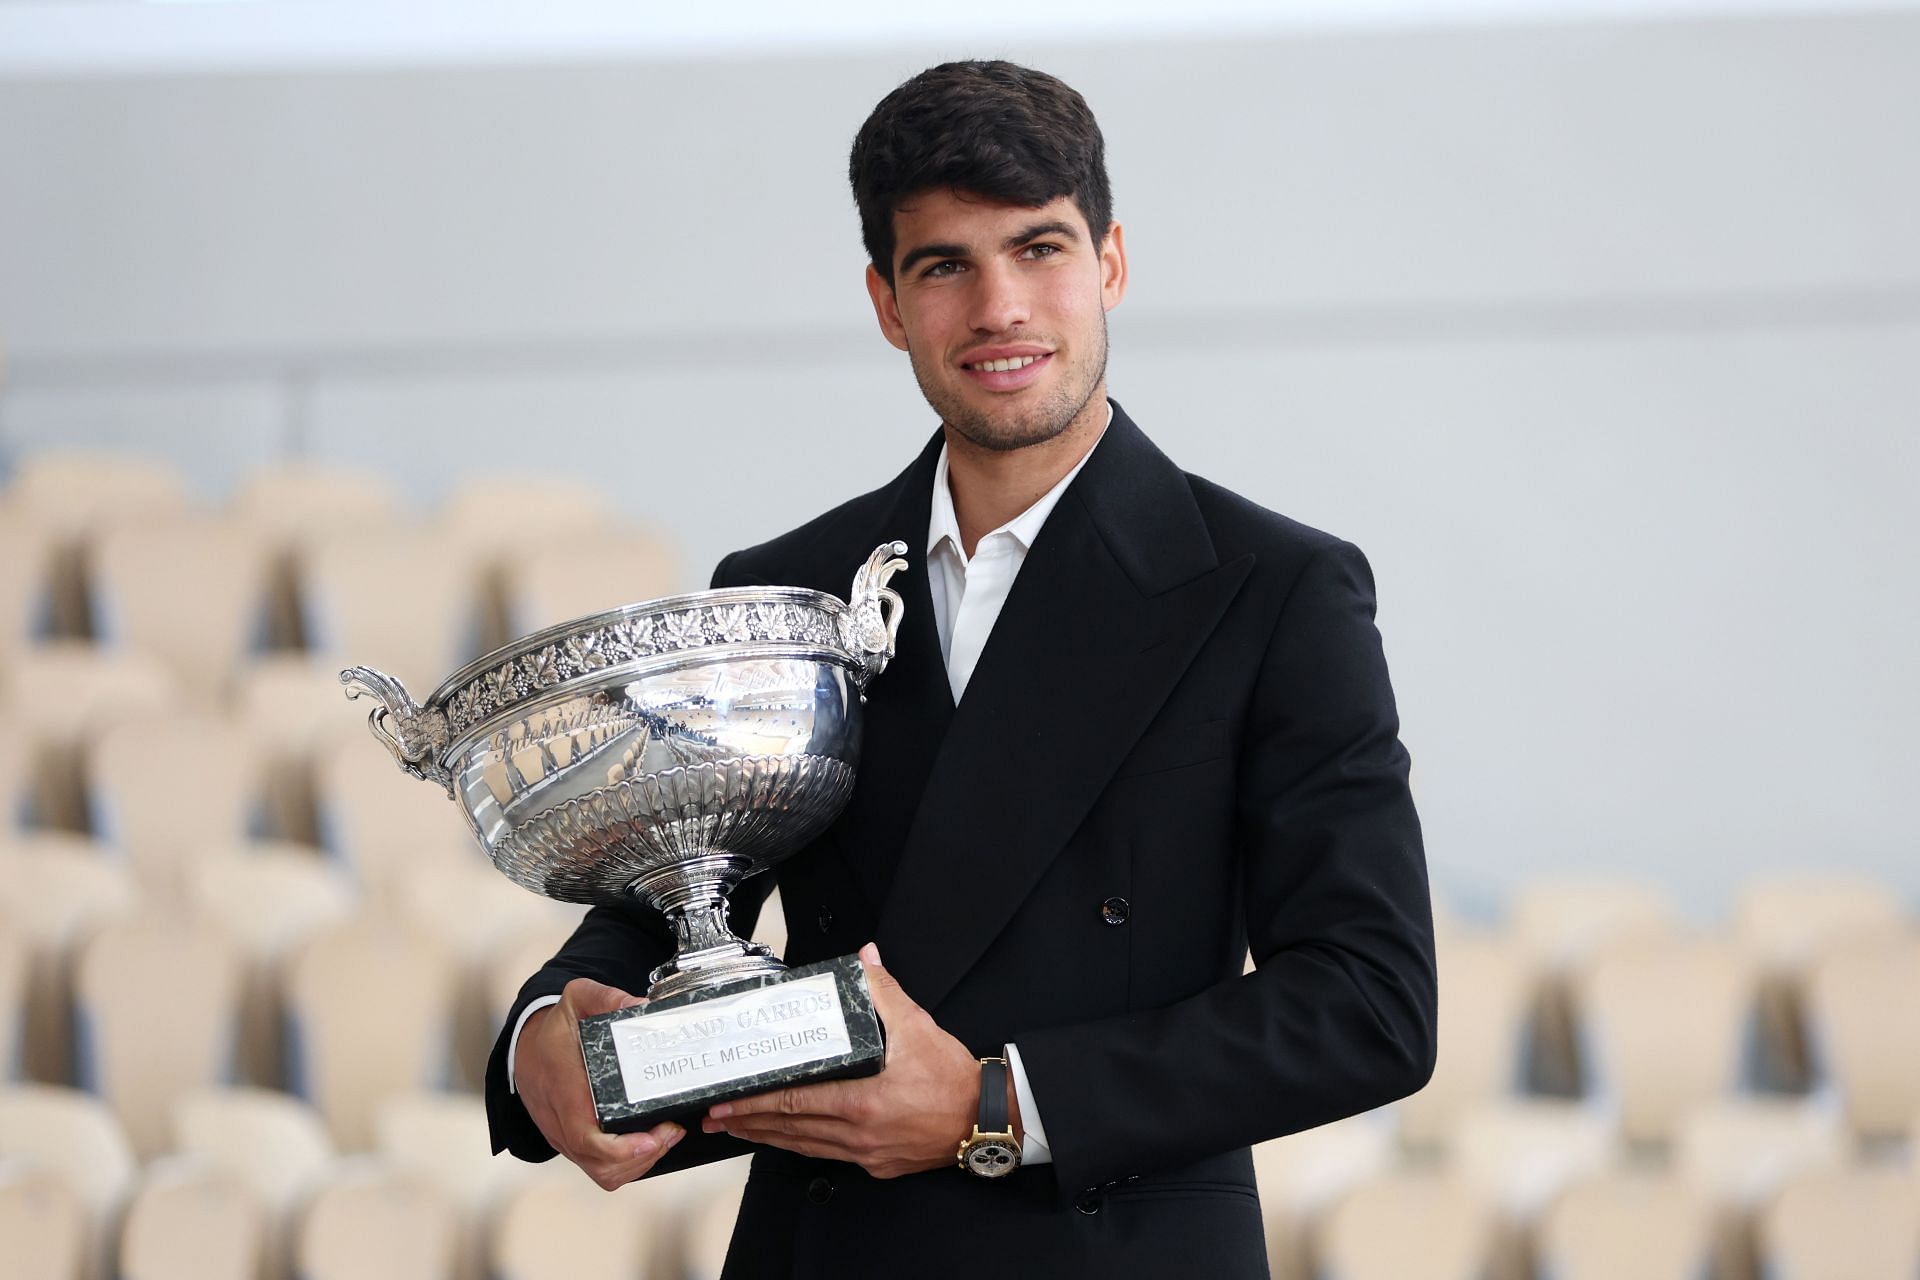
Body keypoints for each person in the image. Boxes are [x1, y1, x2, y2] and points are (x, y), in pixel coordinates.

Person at [486, 59, 1437, 1278]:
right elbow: (660, 905)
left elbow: (1369, 999)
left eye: (1040, 249)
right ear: (888, 301)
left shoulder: (1274, 588)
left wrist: (997, 1103)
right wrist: (541, 1044)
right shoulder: (785, 588)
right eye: (946, 265)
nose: (1001, 307)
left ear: (1112, 264)